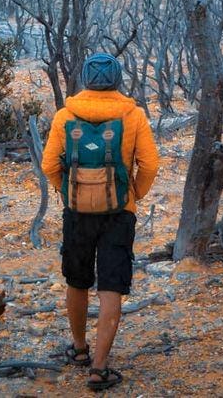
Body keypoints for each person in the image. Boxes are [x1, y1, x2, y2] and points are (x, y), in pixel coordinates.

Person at [41, 53, 159, 391]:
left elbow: (50, 164)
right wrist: (133, 193)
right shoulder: (133, 115)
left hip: (77, 211)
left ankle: (79, 350)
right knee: (111, 285)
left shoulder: (65, 115)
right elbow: (150, 164)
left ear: (85, 80)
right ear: (118, 81)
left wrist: (68, 191)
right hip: (119, 213)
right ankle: (99, 367)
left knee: (77, 281)